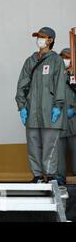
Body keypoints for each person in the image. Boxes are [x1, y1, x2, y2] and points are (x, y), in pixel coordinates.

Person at [15, 27, 66, 183]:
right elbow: (22, 84)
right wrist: (22, 106)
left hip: (50, 111)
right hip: (32, 112)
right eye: (38, 37)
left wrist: (58, 105)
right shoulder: (31, 60)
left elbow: (60, 85)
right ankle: (37, 176)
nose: (39, 40)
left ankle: (50, 176)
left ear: (50, 40)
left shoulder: (56, 60)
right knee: (33, 144)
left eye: (42, 37)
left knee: (50, 145)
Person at [57, 48, 76, 185]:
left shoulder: (74, 75)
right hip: (57, 121)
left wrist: (74, 109)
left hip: (73, 119)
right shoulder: (55, 75)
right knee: (58, 152)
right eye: (63, 56)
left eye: (68, 56)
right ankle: (59, 177)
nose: (66, 59)